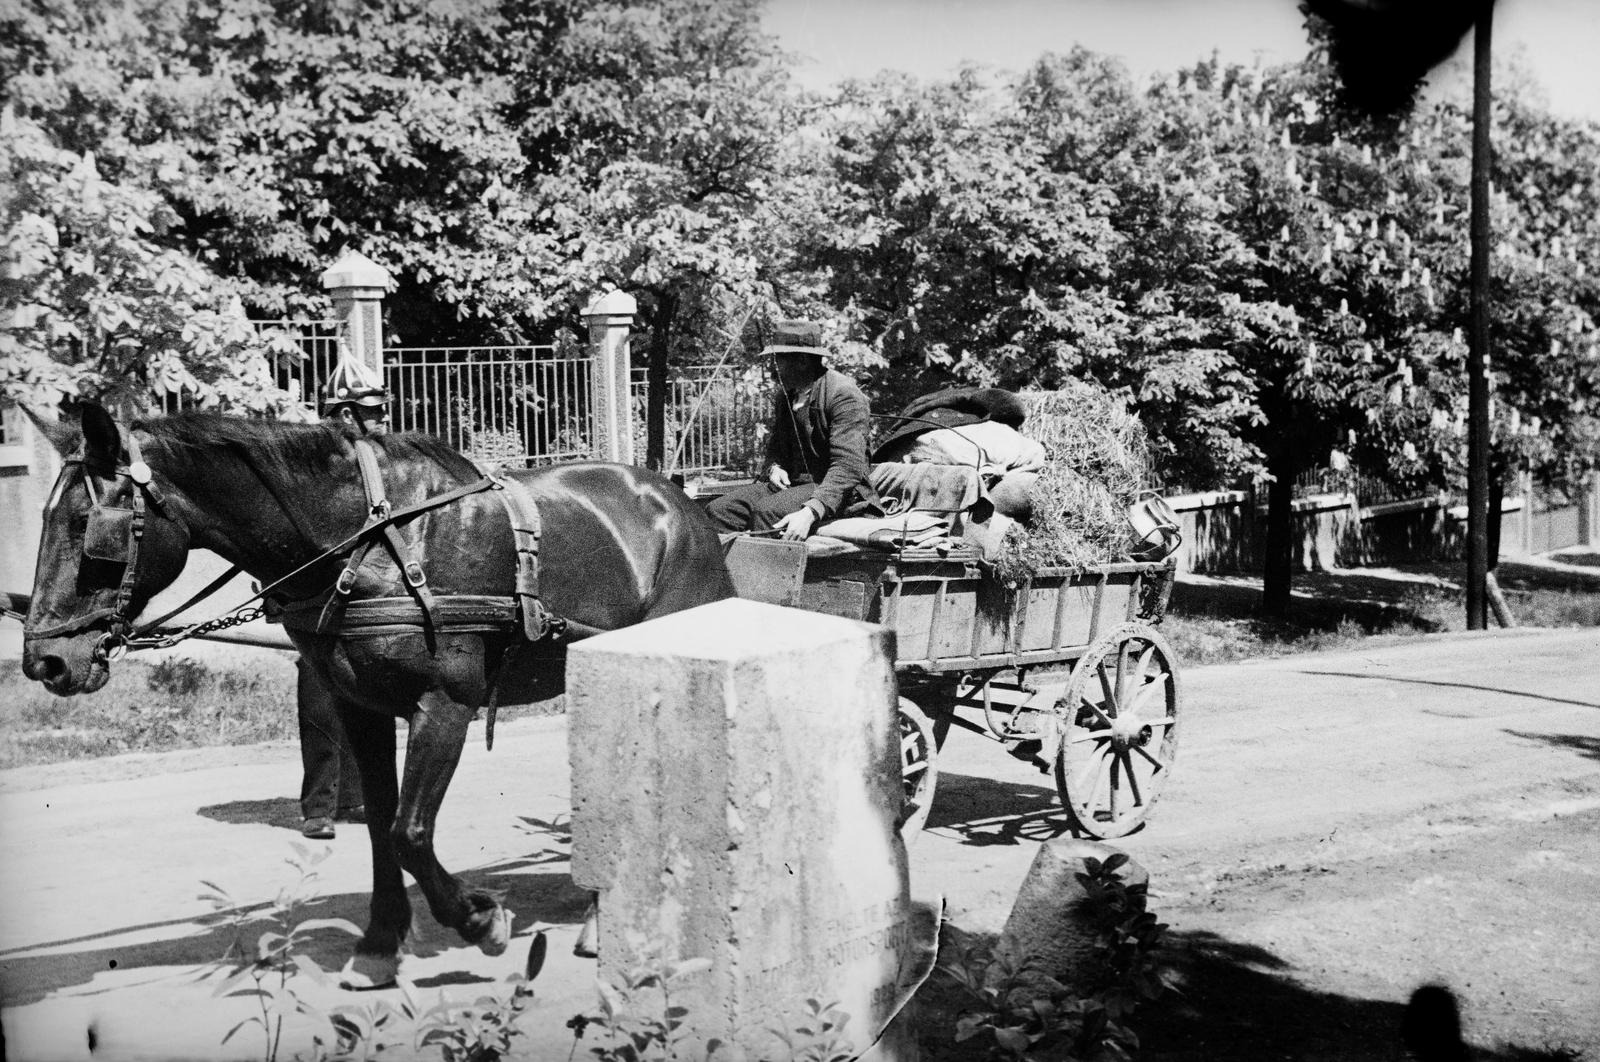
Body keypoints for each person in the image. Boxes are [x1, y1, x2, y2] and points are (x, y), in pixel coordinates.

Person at [297, 350, 389, 839]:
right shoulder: (314, 466)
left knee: (372, 700)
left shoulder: (383, 460)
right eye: (373, 410)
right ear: (347, 414)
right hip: (321, 598)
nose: (384, 417)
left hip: (373, 597)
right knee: (320, 704)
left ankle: (357, 798)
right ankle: (318, 808)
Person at [707, 320, 876, 539]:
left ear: (803, 361)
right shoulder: (786, 396)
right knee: (720, 511)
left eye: (778, 360)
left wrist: (811, 511)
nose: (772, 368)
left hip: (838, 491)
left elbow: (848, 467)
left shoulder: (843, 395)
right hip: (793, 487)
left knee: (768, 513)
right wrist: (774, 467)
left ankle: (767, 574)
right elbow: (776, 447)